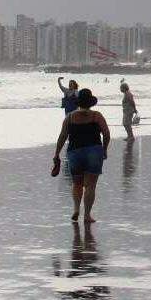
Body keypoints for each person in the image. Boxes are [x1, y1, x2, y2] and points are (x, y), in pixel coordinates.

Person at [53, 88, 110, 224]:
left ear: (78, 102)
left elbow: (62, 136)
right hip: (94, 151)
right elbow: (106, 134)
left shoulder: (70, 117)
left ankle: (76, 209)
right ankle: (87, 215)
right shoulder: (97, 116)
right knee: (90, 185)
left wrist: (56, 154)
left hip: (75, 152)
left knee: (77, 183)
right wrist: (104, 149)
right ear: (91, 102)